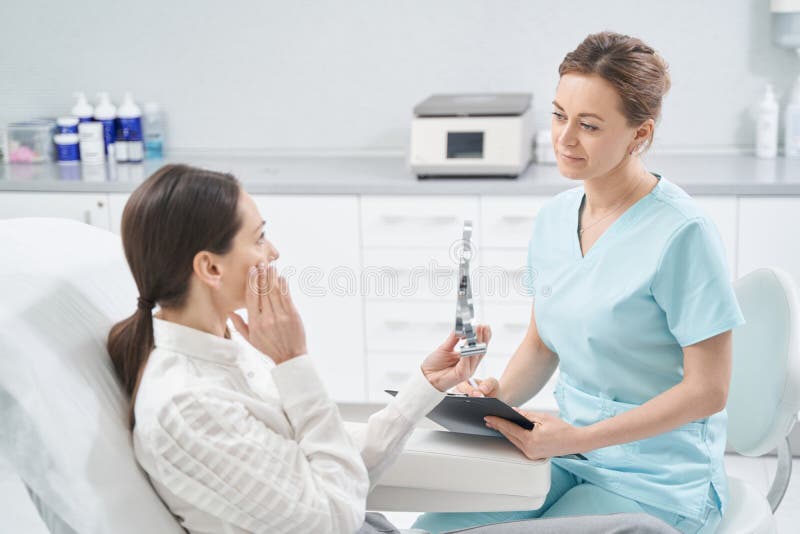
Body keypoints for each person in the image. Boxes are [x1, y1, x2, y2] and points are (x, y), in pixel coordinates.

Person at [414, 31, 745, 534]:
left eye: (589, 125)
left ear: (640, 135)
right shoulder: (555, 219)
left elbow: (708, 391)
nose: (565, 138)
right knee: (433, 528)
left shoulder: (683, 234)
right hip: (572, 458)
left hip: (659, 481)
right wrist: (496, 396)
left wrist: (578, 438)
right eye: (558, 115)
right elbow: (543, 343)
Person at [106, 163, 490, 533]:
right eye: (258, 238)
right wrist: (292, 362)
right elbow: (335, 514)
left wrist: (426, 386)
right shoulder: (188, 406)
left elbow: (338, 465)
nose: (273, 252)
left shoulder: (225, 351)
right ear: (210, 268)